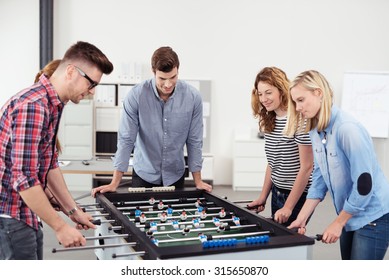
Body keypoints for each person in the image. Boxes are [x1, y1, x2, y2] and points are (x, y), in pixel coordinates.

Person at [0, 41, 114, 260]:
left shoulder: (53, 105)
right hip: (11, 217)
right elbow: (23, 177)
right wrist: (60, 227)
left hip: (26, 214)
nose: (91, 92)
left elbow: (49, 164)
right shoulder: (33, 106)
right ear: (71, 71)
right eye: (90, 83)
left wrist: (73, 211)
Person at [286, 70, 389, 260]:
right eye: (295, 102)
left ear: (318, 93)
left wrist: (338, 223)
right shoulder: (316, 130)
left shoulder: (347, 130)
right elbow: (319, 179)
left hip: (373, 216)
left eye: (301, 100)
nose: (297, 107)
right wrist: (300, 218)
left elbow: (364, 186)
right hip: (349, 212)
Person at [91, 46, 212, 196]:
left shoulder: (193, 98)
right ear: (153, 71)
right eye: (162, 78)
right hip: (144, 175)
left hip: (175, 175)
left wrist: (198, 181)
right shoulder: (136, 96)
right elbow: (126, 139)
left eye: (173, 77)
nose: (168, 84)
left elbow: (194, 141)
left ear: (178, 71)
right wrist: (114, 183)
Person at [247, 67, 314, 227]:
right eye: (260, 93)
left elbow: (307, 167)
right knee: (278, 242)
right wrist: (263, 196)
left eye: (268, 92)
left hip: (298, 196)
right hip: (277, 191)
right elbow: (273, 162)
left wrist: (288, 207)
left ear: (282, 90)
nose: (263, 99)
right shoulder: (270, 119)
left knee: (288, 244)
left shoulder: (300, 119)